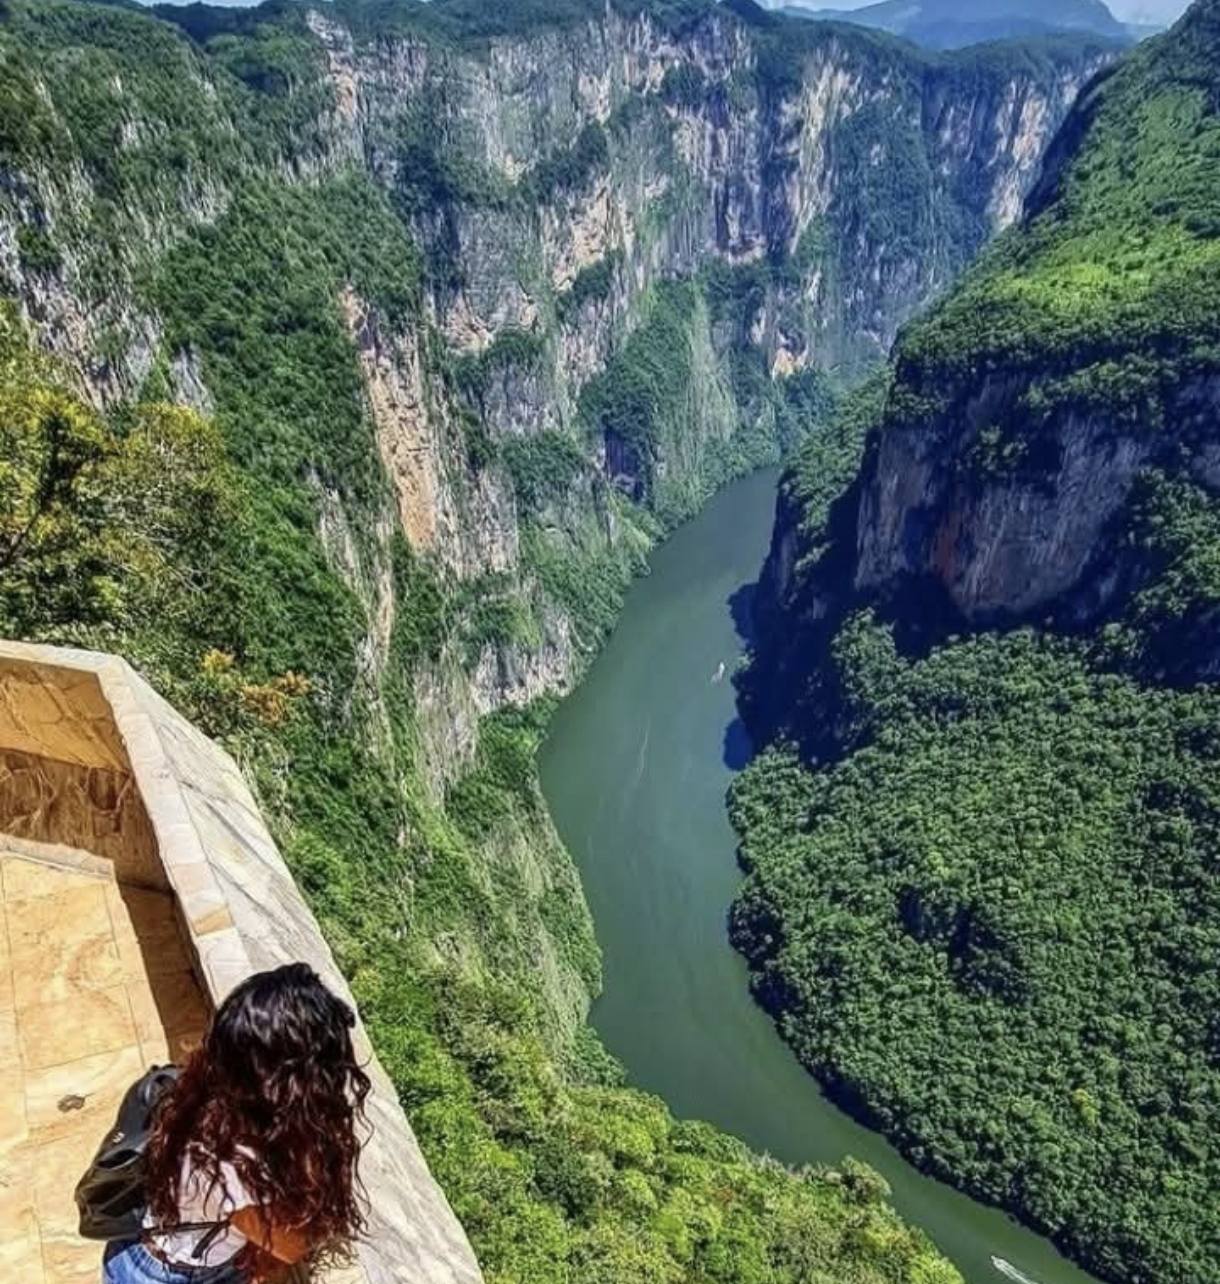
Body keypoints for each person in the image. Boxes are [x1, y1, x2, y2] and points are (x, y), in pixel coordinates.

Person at [102, 962, 371, 1284]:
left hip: (154, 1250)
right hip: (167, 1275)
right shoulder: (234, 1161)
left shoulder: (210, 1090)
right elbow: (290, 1247)